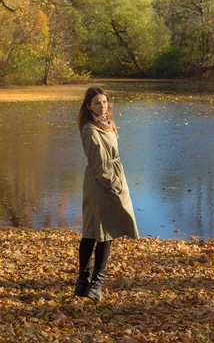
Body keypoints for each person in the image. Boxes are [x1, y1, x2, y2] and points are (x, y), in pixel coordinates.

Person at [74, 86, 139, 301]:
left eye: (104, 102)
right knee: (104, 233)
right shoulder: (91, 130)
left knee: (93, 231)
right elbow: (99, 165)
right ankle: (95, 286)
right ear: (88, 106)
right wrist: (113, 184)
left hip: (104, 180)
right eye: (96, 103)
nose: (102, 106)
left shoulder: (106, 125)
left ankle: (83, 284)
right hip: (102, 183)